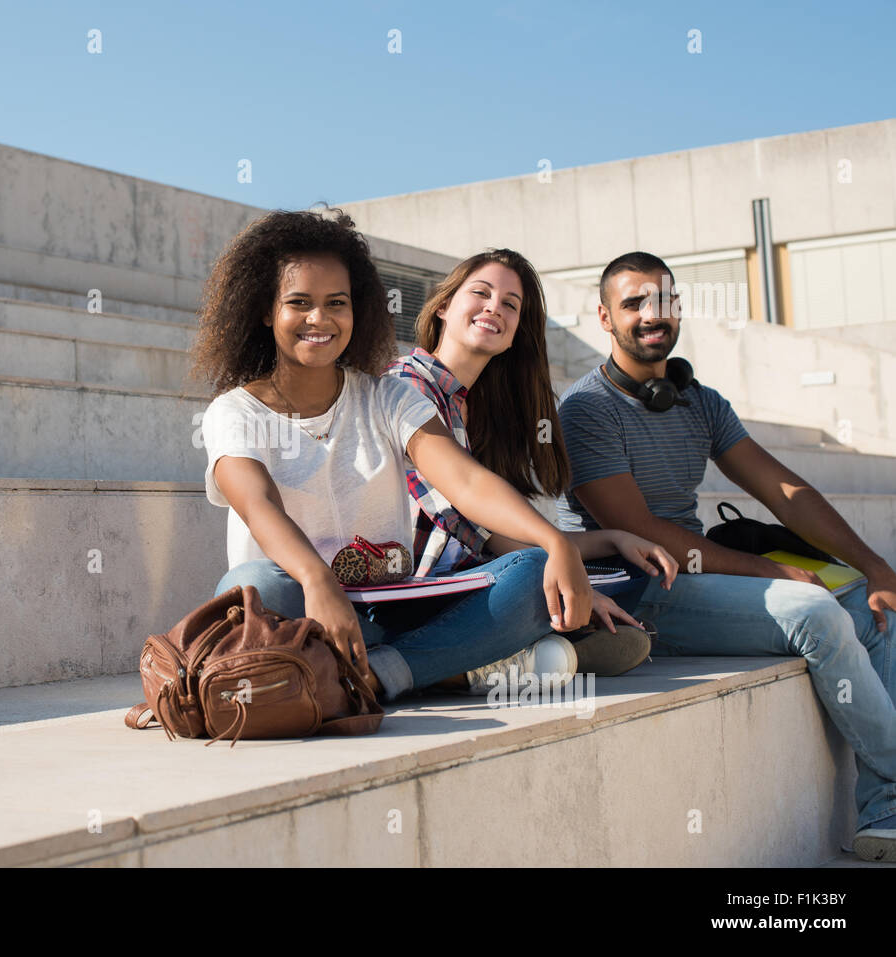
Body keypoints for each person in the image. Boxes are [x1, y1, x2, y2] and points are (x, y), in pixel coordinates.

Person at [556, 249, 896, 863]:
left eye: (662, 299)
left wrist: (875, 567)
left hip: (698, 575)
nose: (650, 313)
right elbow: (638, 529)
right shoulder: (586, 410)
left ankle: (885, 813)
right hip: (636, 589)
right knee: (813, 610)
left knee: (874, 605)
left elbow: (786, 491)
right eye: (633, 303)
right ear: (605, 319)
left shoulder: (699, 401)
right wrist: (774, 572)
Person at [191, 208, 597, 703]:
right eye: (299, 302)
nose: (319, 318)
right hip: (296, 605)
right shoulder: (234, 411)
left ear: (356, 309)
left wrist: (555, 542)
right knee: (250, 585)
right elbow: (258, 506)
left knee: (532, 572)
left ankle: (371, 675)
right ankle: (441, 664)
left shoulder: (388, 396)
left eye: (336, 303)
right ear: (264, 311)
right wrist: (317, 580)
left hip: (394, 607)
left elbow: (464, 482)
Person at [385, 248, 675, 683]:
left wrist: (611, 539)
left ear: (517, 330)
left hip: (474, 580)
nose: (493, 308)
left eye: (509, 304)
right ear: (443, 305)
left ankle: (522, 649)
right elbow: (467, 515)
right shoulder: (406, 384)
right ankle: (469, 664)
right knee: (535, 571)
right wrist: (563, 562)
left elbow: (496, 537)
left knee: (628, 564)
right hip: (411, 592)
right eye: (481, 293)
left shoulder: (475, 409)